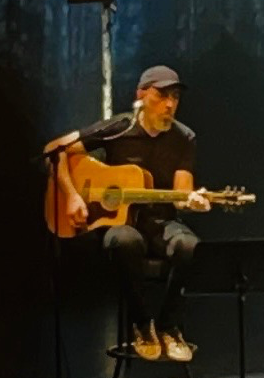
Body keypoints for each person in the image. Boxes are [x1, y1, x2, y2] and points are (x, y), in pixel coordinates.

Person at [44, 65, 210, 362]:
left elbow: (182, 193)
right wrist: (71, 197)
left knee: (189, 245)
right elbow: (55, 150)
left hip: (162, 222)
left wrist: (193, 201)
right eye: (161, 95)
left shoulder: (185, 138)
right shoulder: (118, 128)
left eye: (174, 96)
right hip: (122, 223)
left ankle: (169, 326)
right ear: (141, 95)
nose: (170, 104)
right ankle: (142, 324)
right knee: (124, 241)